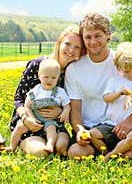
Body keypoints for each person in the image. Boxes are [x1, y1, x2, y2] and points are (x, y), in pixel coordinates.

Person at [65, 13, 132, 160]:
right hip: (91, 130)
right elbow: (75, 110)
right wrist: (80, 131)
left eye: (98, 36)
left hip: (120, 129)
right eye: (88, 37)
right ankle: (109, 153)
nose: (93, 41)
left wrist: (129, 122)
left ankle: (109, 153)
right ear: (83, 38)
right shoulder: (74, 69)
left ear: (108, 36)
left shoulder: (124, 60)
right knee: (76, 153)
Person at [9, 25, 85, 157]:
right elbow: (19, 99)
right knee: (40, 153)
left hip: (54, 124)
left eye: (77, 47)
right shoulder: (37, 65)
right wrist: (26, 118)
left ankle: (51, 144)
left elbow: (71, 104)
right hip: (31, 123)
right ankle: (23, 143)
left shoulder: (72, 73)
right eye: (68, 44)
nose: (71, 50)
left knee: (61, 148)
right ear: (59, 43)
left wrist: (61, 111)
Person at [88, 42, 132, 161]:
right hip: (111, 123)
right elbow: (106, 98)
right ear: (119, 68)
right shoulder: (114, 81)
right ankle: (107, 152)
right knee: (92, 134)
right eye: (127, 72)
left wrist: (131, 95)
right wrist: (119, 93)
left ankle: (110, 156)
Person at [6, 59, 71, 153]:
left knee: (51, 129)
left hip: (49, 120)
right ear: (39, 76)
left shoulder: (59, 92)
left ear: (58, 78)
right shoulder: (35, 91)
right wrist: (31, 118)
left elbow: (67, 105)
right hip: (34, 118)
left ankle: (50, 144)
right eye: (46, 77)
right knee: (20, 127)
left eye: (54, 78)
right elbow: (27, 106)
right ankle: (12, 146)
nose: (50, 80)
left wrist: (65, 111)